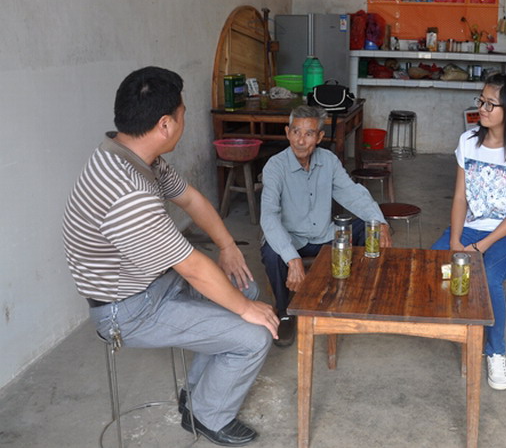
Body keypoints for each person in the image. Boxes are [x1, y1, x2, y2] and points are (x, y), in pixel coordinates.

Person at [62, 67, 279, 446]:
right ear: (165, 124)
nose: (184, 121)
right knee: (254, 335)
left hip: (154, 282)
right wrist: (246, 310)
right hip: (126, 310)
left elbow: (190, 199)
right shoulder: (127, 192)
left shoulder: (133, 154)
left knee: (244, 286)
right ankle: (208, 416)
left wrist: (228, 246)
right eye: (182, 115)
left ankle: (195, 394)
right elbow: (192, 266)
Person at [431, 73, 506, 390]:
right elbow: (459, 198)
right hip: (470, 228)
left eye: (490, 104)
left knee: (489, 277)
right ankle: (461, 328)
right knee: (432, 264)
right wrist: (455, 240)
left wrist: (480, 248)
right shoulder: (468, 141)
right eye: (480, 101)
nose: (481, 109)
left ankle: (495, 352)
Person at [260, 105, 392, 346]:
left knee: (368, 228)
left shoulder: (328, 161)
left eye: (309, 134)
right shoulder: (275, 166)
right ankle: (285, 310)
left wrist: (379, 223)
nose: (301, 141)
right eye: (296, 132)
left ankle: (358, 293)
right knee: (271, 252)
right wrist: (292, 257)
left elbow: (352, 194)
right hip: (292, 240)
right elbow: (269, 217)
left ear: (320, 137)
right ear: (287, 132)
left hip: (324, 236)